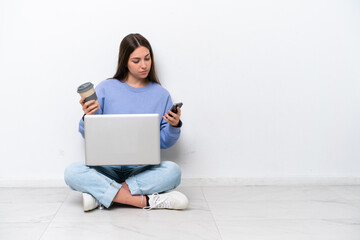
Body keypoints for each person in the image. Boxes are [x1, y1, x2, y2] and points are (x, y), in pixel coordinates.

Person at [64, 33, 189, 211]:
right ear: (125, 62)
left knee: (173, 171)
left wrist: (174, 126)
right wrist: (87, 117)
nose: (144, 65)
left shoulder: (161, 94)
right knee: (72, 172)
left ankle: (103, 196)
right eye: (136, 61)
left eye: (147, 58)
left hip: (141, 170)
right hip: (106, 169)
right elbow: (87, 134)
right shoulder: (106, 88)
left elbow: (164, 142)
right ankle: (144, 201)